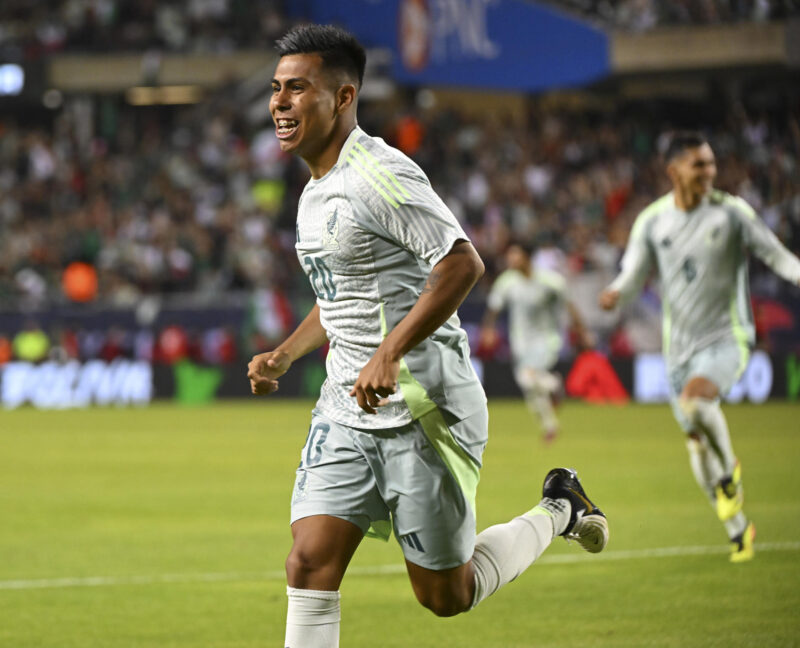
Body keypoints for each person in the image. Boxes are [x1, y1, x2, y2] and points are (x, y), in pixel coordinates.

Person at [247, 24, 609, 647]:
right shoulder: (313, 191)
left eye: (297, 88)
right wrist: (285, 353)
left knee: (446, 595)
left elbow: (462, 263)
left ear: (343, 97)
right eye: (277, 88)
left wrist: (390, 352)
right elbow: (343, 299)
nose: (280, 101)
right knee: (308, 564)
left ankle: (561, 508)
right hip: (346, 408)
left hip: (423, 409)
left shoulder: (378, 173)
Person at [599, 131, 800, 563]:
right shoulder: (653, 220)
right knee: (694, 439)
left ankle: (729, 472)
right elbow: (633, 273)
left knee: (696, 402)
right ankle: (738, 529)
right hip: (679, 350)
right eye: (699, 164)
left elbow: (776, 255)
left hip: (728, 336)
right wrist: (616, 292)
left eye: (711, 162)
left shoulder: (731, 213)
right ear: (674, 171)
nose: (710, 171)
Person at [480, 241, 591, 442]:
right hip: (520, 343)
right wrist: (488, 330)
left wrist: (581, 330)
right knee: (530, 386)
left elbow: (569, 304)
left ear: (527, 257)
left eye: (515, 255)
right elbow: (494, 308)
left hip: (546, 340)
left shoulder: (549, 281)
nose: (510, 259)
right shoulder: (507, 282)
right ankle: (550, 422)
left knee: (527, 378)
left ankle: (554, 386)